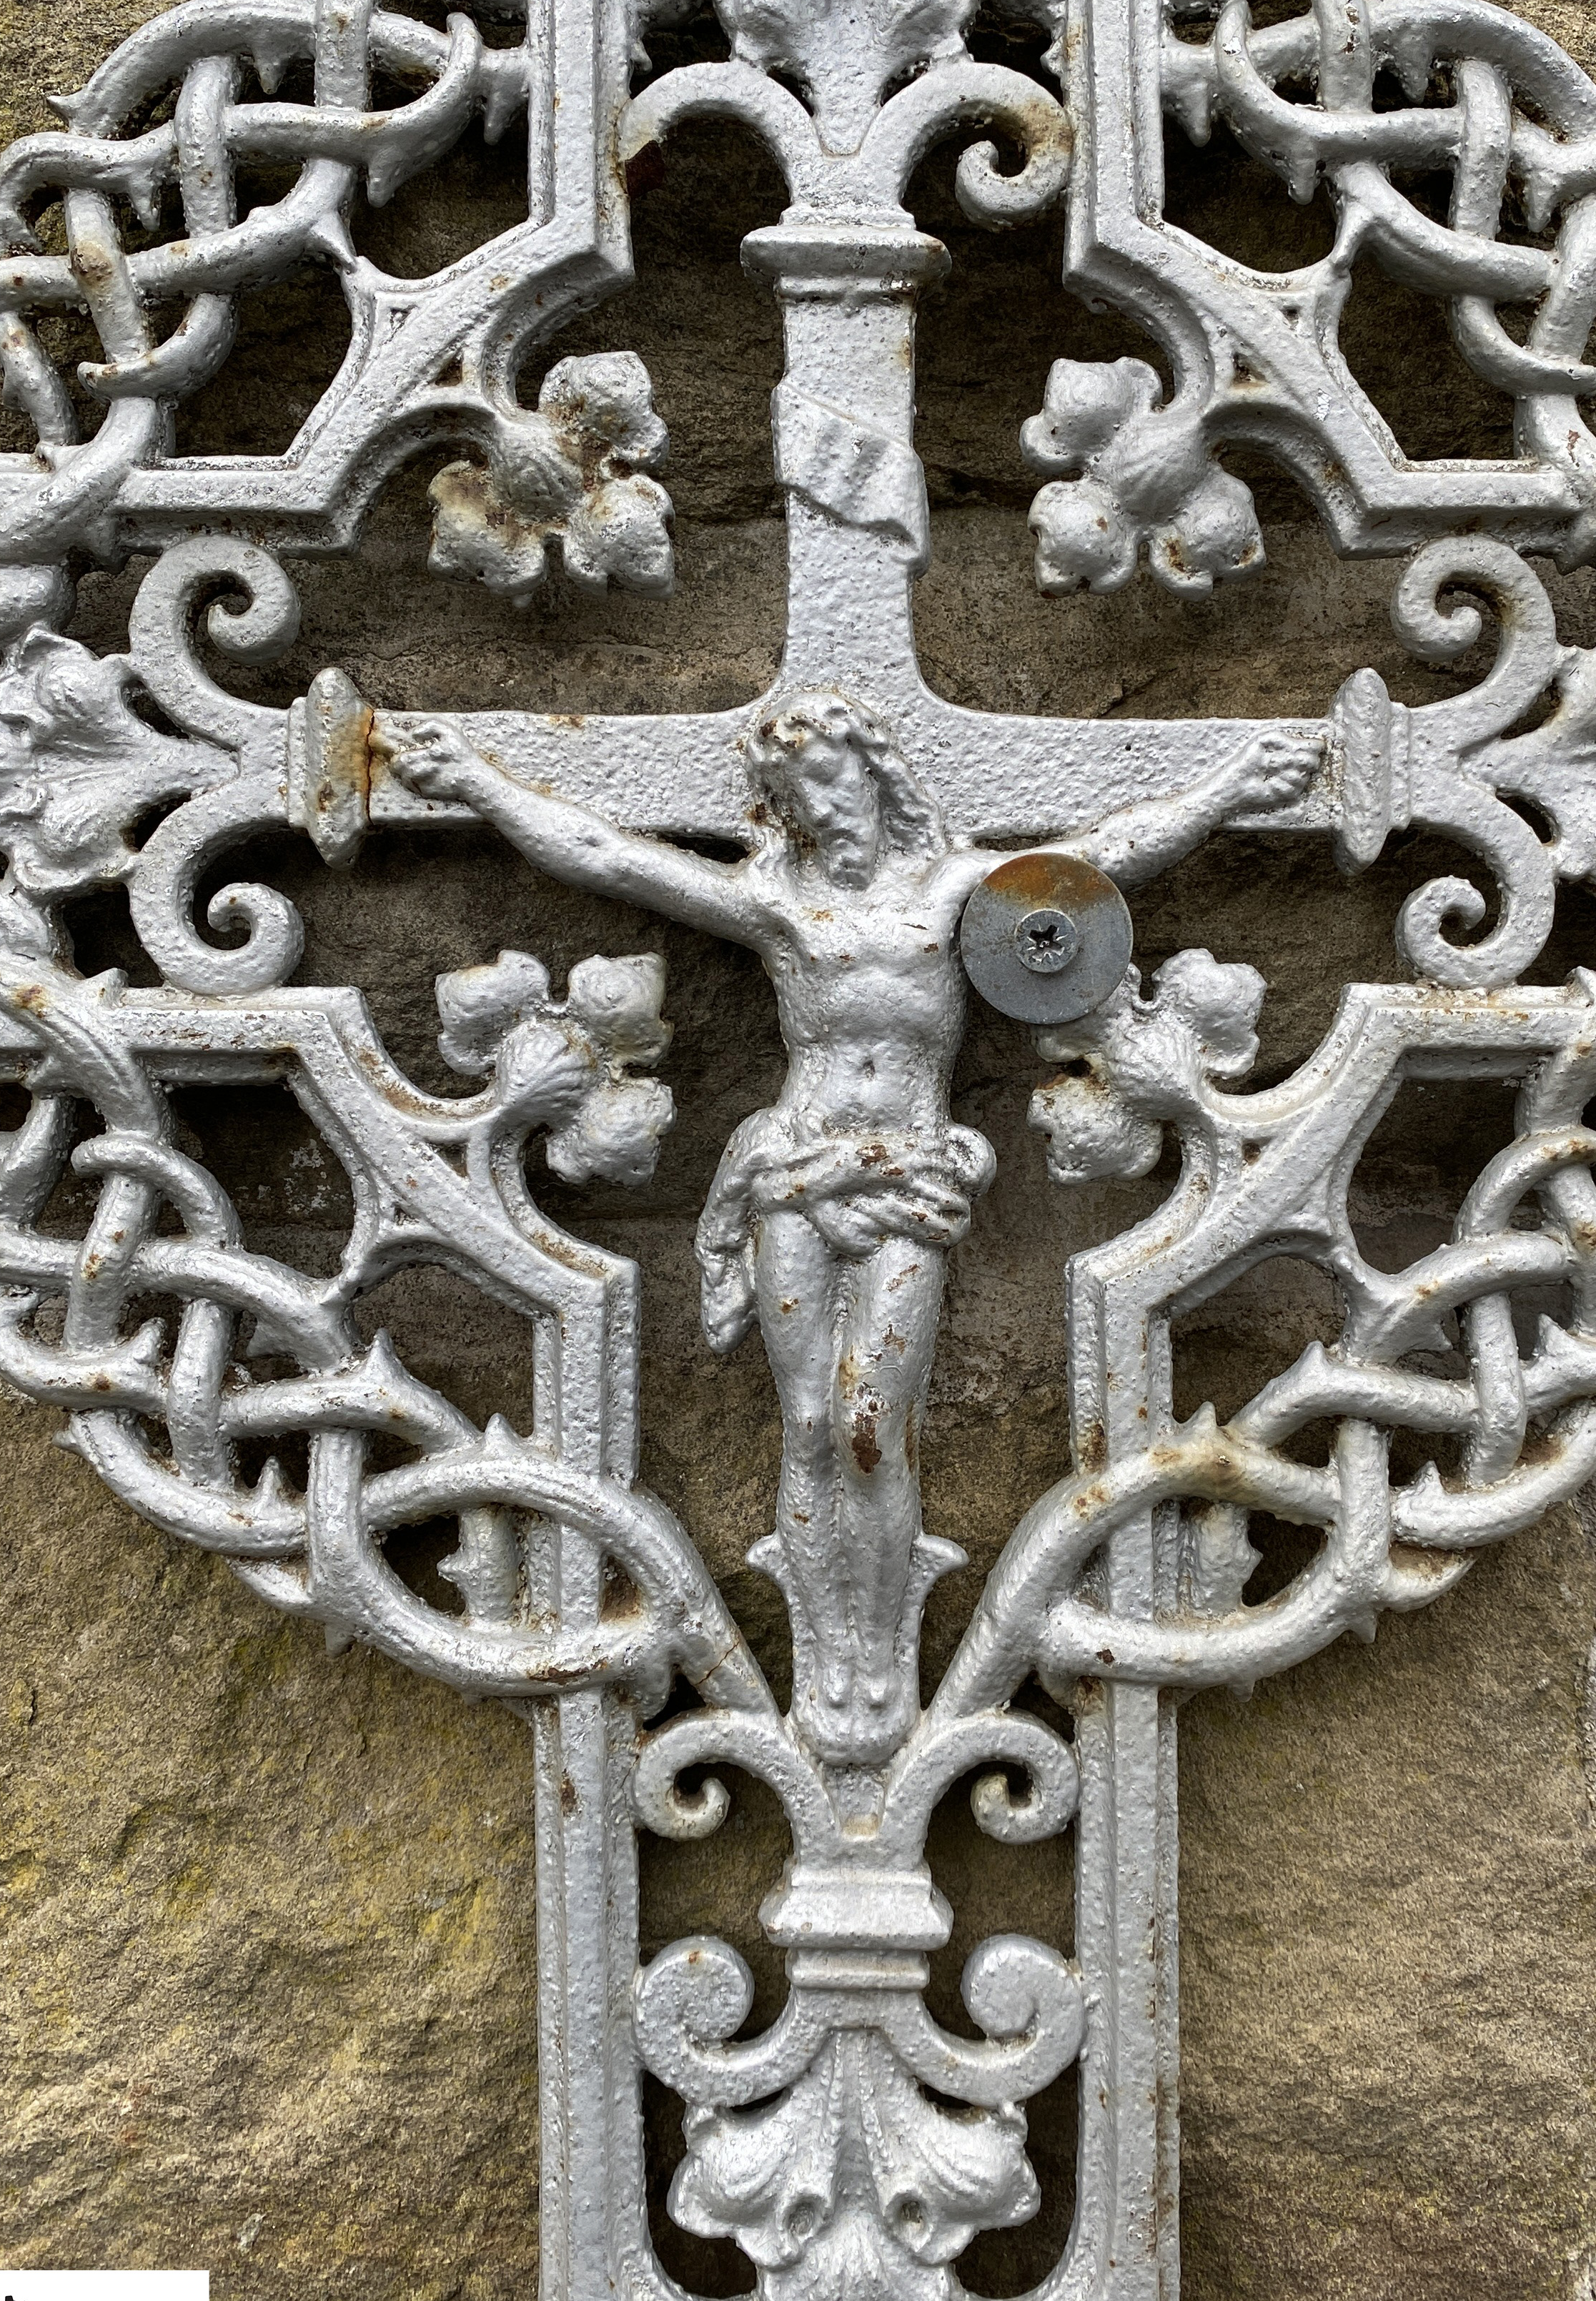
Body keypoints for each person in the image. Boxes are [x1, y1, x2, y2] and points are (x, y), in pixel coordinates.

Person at [381, 690, 1319, 1762]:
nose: (816, 806)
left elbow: (1109, 854)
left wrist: (1234, 788)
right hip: (796, 1171)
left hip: (910, 1173)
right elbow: (608, 854)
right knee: (813, 1424)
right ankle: (836, 1654)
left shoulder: (962, 893)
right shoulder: (780, 909)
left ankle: (881, 1641)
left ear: (875, 772)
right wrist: (481, 783)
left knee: (872, 1419)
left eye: (828, 776)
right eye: (790, 792)